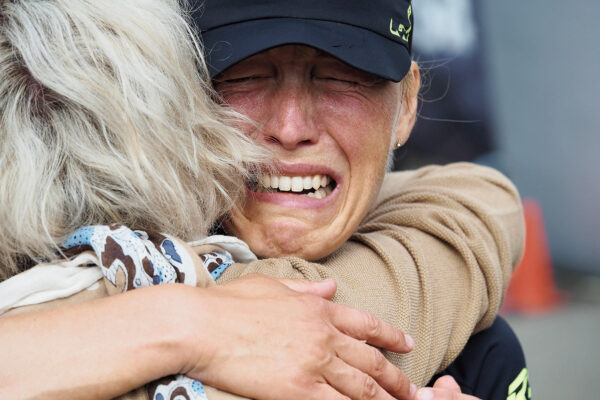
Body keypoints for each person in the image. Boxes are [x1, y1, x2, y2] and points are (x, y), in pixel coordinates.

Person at [0, 0, 526, 399]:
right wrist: (193, 324)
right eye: (244, 74)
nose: (290, 127)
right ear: (181, 99)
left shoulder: (471, 349)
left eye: (342, 76)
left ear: (407, 104)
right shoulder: (41, 257)